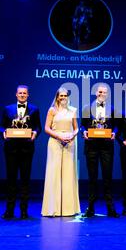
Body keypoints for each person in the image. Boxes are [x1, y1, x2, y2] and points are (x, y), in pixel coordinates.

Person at [0, 85, 42, 219]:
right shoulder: (8, 109)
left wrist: (35, 133)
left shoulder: (34, 109)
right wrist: (4, 132)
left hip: (27, 149)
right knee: (11, 180)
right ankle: (9, 211)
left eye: (25, 93)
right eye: (20, 93)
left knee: (25, 181)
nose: (22, 95)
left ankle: (24, 211)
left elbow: (38, 127)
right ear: (16, 94)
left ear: (28, 95)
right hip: (11, 149)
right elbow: (2, 126)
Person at [80, 84, 119, 218]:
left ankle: (110, 208)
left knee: (107, 178)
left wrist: (114, 133)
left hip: (107, 147)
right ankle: (90, 208)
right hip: (91, 147)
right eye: (100, 92)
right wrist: (84, 132)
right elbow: (82, 126)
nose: (102, 94)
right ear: (96, 93)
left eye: (105, 92)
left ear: (107, 94)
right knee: (92, 178)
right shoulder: (87, 108)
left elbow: (116, 127)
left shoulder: (112, 109)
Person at [41, 87, 80, 217]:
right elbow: (46, 128)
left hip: (69, 143)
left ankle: (69, 209)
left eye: (65, 95)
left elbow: (76, 129)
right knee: (54, 173)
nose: (63, 97)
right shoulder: (52, 110)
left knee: (69, 174)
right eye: (61, 96)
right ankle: (53, 209)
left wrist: (71, 136)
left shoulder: (73, 111)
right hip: (55, 142)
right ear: (57, 97)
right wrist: (59, 136)